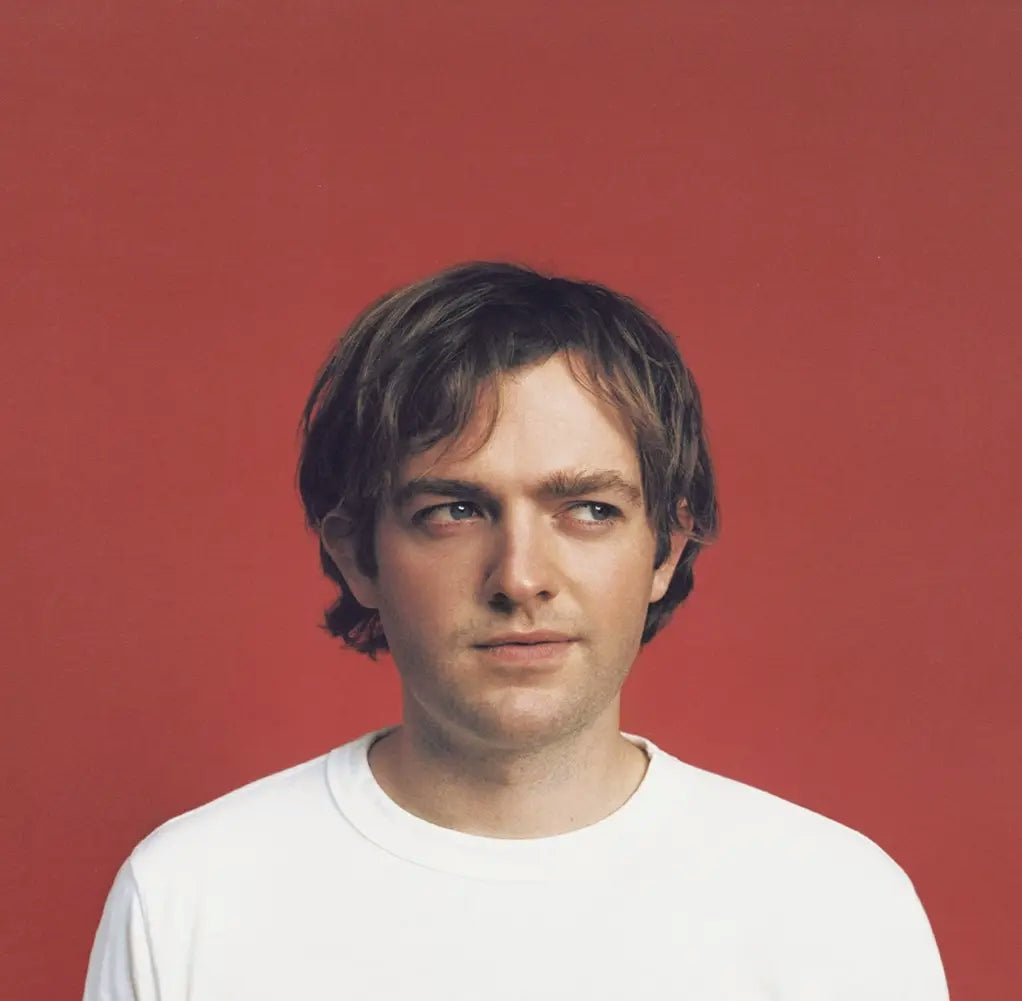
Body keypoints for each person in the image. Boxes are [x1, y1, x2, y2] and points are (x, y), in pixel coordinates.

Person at [83, 261, 948, 999]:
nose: (520, 576)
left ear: (666, 549)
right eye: (455, 509)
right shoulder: (190, 894)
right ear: (356, 554)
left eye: (589, 509)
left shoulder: (836, 906)